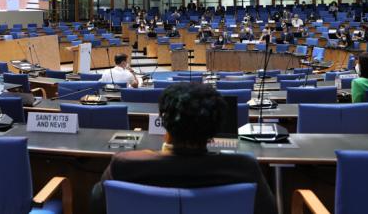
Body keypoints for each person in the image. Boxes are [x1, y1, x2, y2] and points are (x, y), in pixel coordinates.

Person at [90, 83, 277, 214]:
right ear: (214, 132)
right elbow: (268, 210)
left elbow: (96, 206)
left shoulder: (124, 164)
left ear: (165, 124)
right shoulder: (243, 167)